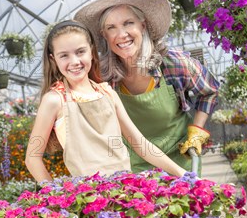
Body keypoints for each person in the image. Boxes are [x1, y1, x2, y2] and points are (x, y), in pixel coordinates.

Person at [74, 0, 220, 174]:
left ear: (143, 26)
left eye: (128, 23)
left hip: (180, 159)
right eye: (111, 28)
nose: (121, 34)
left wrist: (197, 129)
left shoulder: (172, 63)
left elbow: (210, 90)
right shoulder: (101, 76)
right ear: (104, 35)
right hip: (132, 166)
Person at [25, 20, 188, 182]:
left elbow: (140, 144)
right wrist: (56, 194)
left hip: (125, 191)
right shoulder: (55, 99)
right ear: (53, 59)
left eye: (80, 52)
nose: (74, 61)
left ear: (92, 52)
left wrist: (184, 174)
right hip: (88, 198)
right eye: (64, 55)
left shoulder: (107, 92)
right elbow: (32, 159)